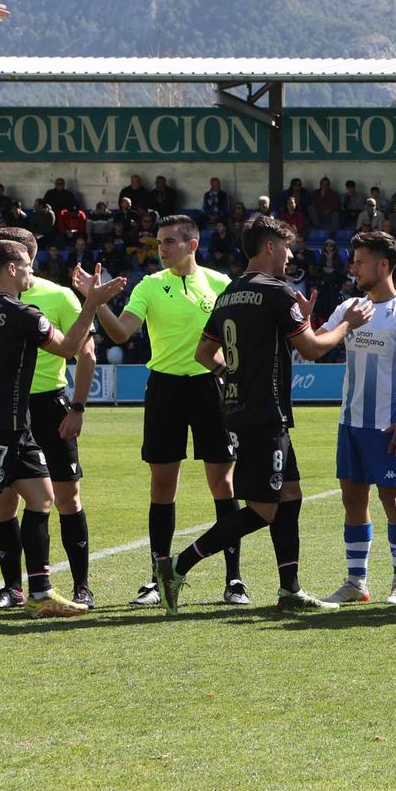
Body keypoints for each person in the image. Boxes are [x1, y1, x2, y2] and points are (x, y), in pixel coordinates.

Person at [153, 217, 367, 613]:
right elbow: (315, 348)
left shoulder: (230, 293)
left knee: (290, 494)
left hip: (243, 409)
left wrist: (232, 376)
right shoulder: (277, 292)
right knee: (263, 510)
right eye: (287, 248)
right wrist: (347, 325)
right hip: (264, 415)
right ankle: (178, 565)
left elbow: (204, 353)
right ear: (270, 247)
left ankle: (290, 588)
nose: (290, 256)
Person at [0, 242, 120, 622]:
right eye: (26, 266)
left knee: (42, 498)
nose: (31, 272)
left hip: (11, 426)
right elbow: (70, 347)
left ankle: (40, 592)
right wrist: (90, 303)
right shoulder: (24, 313)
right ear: (9, 269)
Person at [88, 215, 246, 606]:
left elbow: (238, 338)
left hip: (212, 386)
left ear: (192, 245)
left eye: (170, 241)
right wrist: (97, 303)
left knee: (223, 485)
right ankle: (157, 580)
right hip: (164, 389)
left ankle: (234, 580)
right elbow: (122, 332)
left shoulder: (220, 283)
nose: (162, 248)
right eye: (160, 242)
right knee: (162, 485)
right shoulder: (149, 285)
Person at [0, 229, 98, 612]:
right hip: (6, 410)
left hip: (50, 407)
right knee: (4, 501)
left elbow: (86, 354)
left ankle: (81, 587)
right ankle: (13, 589)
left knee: (66, 497)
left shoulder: (59, 295)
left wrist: (77, 408)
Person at [322, 232, 396, 607]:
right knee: (352, 498)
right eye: (353, 261)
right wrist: (305, 321)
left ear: (383, 265)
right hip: (350, 423)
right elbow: (316, 343)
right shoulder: (349, 308)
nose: (353, 267)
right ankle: (357, 582)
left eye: (360, 261)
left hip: (387, 425)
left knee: (393, 498)